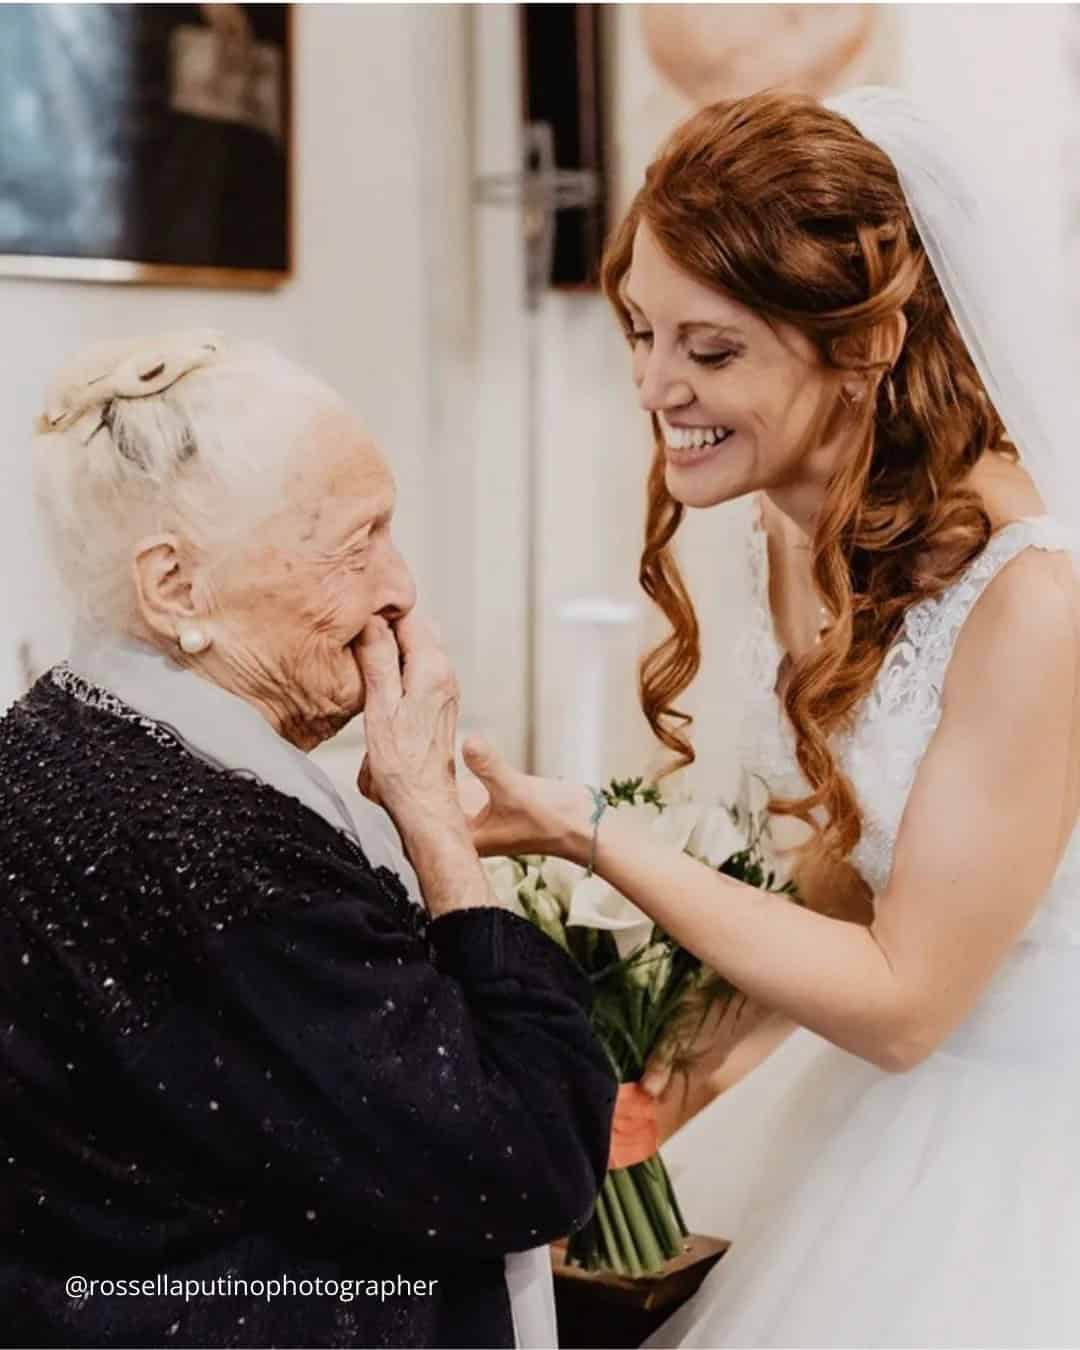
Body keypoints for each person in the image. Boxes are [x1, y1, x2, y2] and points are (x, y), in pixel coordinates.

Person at [453, 88, 1080, 1347]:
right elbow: (861, 868)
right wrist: (669, 1084)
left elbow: (906, 1003)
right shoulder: (807, 534)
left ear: (866, 345)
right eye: (640, 329)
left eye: (711, 349)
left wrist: (594, 839)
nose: (655, 385)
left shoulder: (1034, 605)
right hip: (896, 1100)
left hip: (1024, 1132)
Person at [0, 330, 616, 1349]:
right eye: (356, 542)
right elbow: (529, 1152)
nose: (401, 586)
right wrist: (434, 827)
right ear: (177, 590)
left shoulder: (45, 744)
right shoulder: (223, 856)